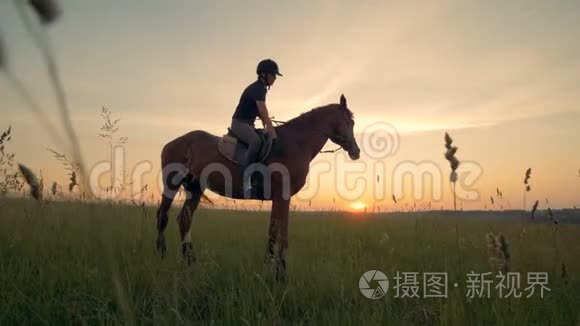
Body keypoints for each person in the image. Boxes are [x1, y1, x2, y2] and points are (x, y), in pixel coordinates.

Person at [230, 59, 281, 193]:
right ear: (264, 74)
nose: (275, 78)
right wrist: (273, 135)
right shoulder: (257, 89)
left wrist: (268, 127)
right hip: (239, 124)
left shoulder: (261, 89)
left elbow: (262, 114)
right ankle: (245, 181)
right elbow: (263, 114)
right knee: (256, 141)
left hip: (248, 124)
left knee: (263, 139)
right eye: (273, 75)